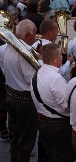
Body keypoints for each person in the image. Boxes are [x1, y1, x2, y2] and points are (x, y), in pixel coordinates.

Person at [30, 43, 76, 162]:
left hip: (43, 123)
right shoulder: (55, 78)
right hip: (58, 127)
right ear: (54, 59)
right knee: (63, 157)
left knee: (46, 157)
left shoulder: (37, 73)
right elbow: (67, 106)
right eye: (61, 55)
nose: (62, 57)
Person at [3, 20, 39, 162]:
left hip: (11, 95)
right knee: (26, 141)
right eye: (35, 34)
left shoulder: (8, 48)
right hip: (25, 100)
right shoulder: (24, 52)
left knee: (15, 137)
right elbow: (32, 79)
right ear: (29, 34)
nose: (36, 36)